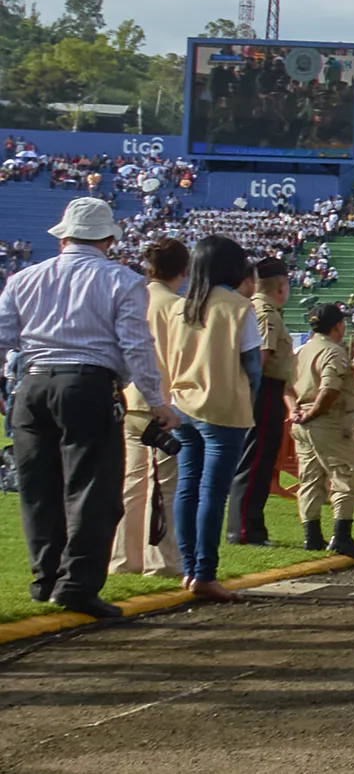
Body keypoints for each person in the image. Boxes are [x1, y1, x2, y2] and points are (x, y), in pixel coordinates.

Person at [0, 198, 175, 618]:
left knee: (39, 490)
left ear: (63, 237)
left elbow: (3, 337)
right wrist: (156, 402)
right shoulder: (121, 280)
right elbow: (135, 346)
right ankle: (76, 584)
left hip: (32, 384)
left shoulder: (24, 278)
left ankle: (45, 579)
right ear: (109, 240)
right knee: (93, 490)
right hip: (88, 385)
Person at [157, 234, 259, 603]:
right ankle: (205, 573)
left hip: (183, 406)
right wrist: (250, 399)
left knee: (187, 488)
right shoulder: (239, 307)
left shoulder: (179, 308)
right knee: (213, 493)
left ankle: (188, 569)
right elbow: (253, 366)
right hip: (224, 408)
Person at [114, 239, 187, 578]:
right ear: (183, 271)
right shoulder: (178, 307)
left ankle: (123, 559)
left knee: (132, 485)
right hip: (164, 403)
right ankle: (161, 561)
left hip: (131, 400)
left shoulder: (133, 299)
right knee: (165, 486)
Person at [290, 302, 354, 558]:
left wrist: (295, 410)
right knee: (347, 474)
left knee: (310, 478)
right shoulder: (333, 352)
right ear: (338, 325)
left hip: (302, 421)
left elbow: (287, 385)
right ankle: (341, 536)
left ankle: (311, 536)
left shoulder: (302, 351)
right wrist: (313, 413)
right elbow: (329, 389)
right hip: (328, 421)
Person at [227, 257, 294, 545]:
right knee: (255, 460)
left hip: (264, 390)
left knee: (261, 459)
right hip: (264, 390)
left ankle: (250, 525)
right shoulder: (265, 313)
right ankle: (244, 528)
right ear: (280, 286)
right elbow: (260, 358)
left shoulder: (257, 309)